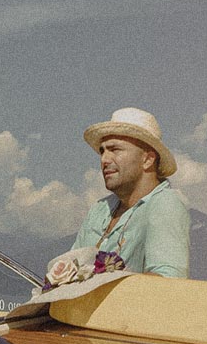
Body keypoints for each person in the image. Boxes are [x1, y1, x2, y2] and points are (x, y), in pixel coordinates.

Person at [47, 107, 190, 286]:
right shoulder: (99, 210)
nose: (104, 160)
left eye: (115, 149)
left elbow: (168, 283)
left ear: (148, 159)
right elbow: (71, 266)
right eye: (102, 151)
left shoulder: (165, 204)